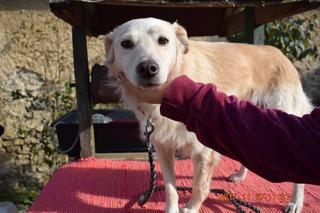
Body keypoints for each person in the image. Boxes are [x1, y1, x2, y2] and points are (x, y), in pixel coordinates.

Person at [117, 73, 320, 185]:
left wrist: (182, 97)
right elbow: (296, 141)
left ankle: (298, 195)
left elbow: (293, 145)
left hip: (275, 72)